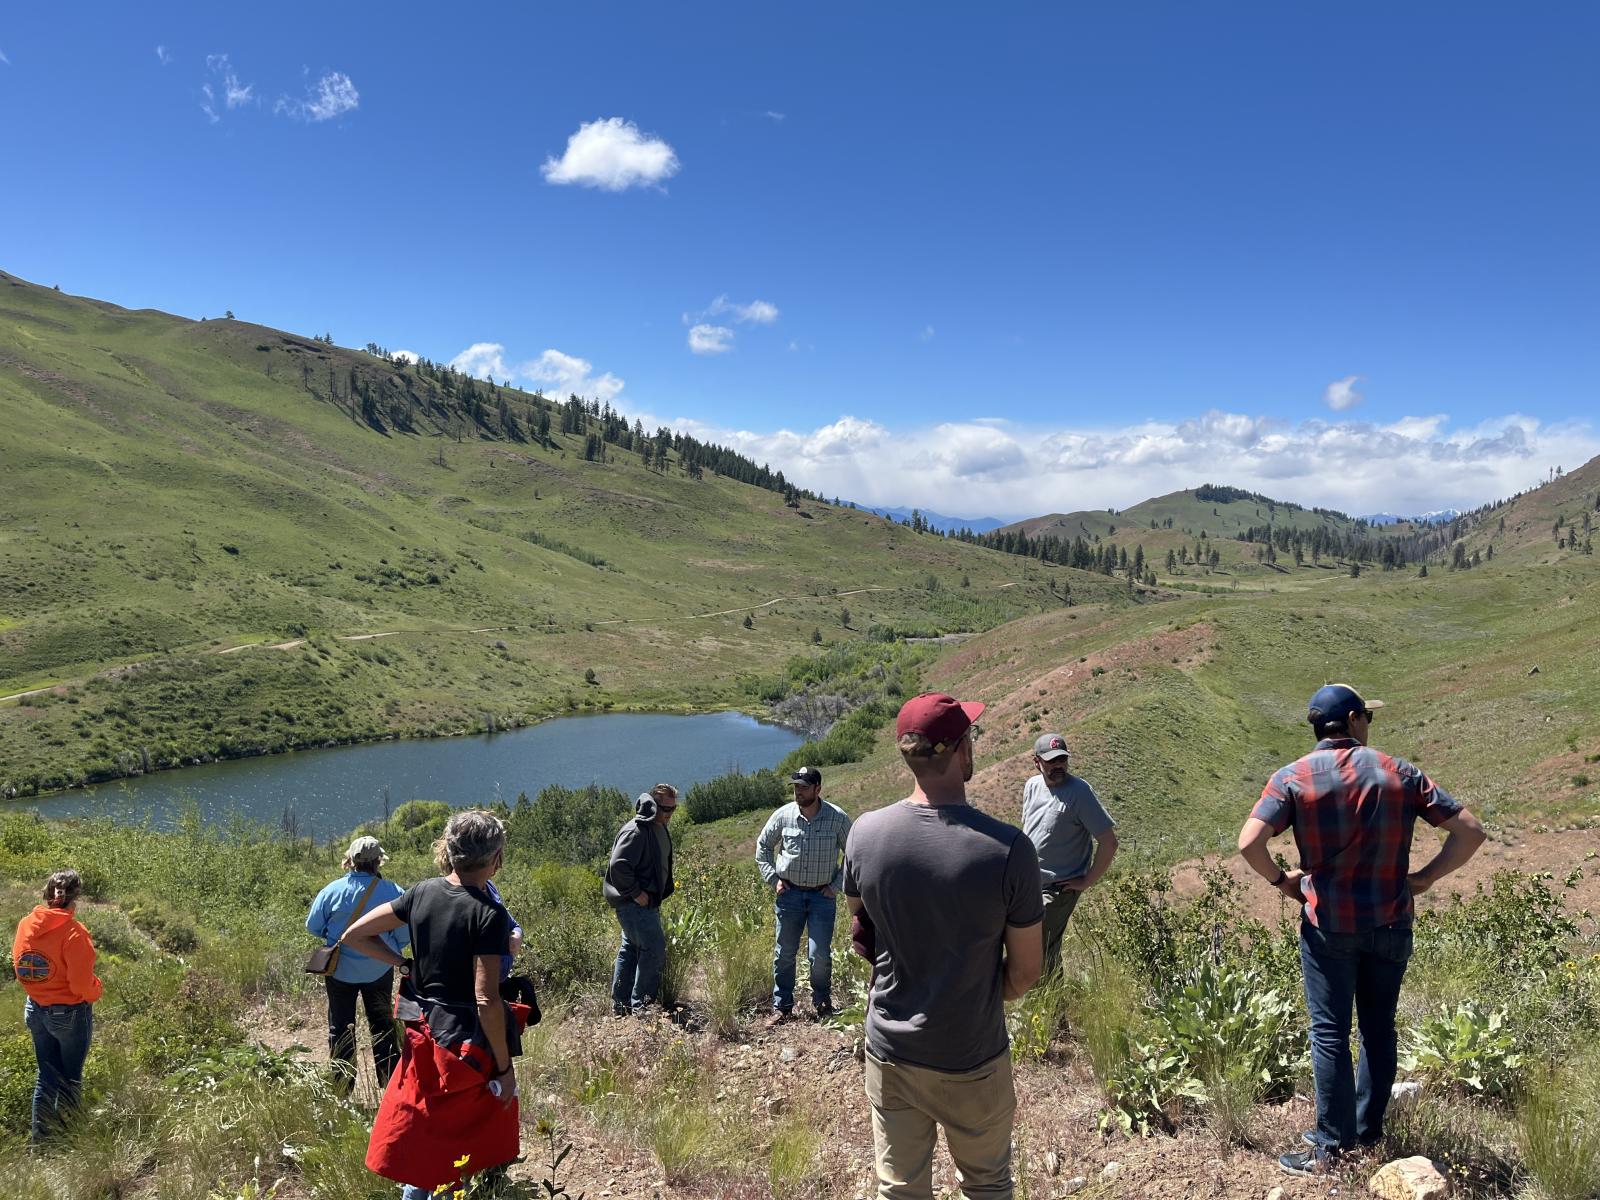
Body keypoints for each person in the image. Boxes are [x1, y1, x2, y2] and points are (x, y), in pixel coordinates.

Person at [1237, 684, 1485, 1177]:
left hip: (1328, 923)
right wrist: (1425, 878)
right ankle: (1368, 1132)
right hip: (1391, 918)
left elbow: (1249, 843)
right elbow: (1471, 832)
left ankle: (1332, 1145)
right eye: (1366, 717)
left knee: (1329, 1032)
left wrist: (1283, 882)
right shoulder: (1400, 773)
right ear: (1352, 720)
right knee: (1378, 1028)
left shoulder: (1293, 778)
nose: (1368, 724)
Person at [844, 693, 1043, 1200]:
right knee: (987, 1184)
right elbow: (1025, 972)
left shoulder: (864, 835)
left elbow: (860, 919)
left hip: (890, 1048)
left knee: (901, 1189)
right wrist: (973, 994)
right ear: (961, 749)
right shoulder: (1009, 850)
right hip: (971, 1055)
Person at [342, 810, 526, 1199]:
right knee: (456, 1138)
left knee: (428, 1127)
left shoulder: (422, 892)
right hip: (465, 1042)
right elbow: (486, 999)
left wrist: (403, 964)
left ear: (451, 851)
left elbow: (355, 935)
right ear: (496, 860)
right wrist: (506, 1067)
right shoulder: (487, 914)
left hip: (423, 1029)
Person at [306, 836, 409, 1093]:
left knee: (340, 1028)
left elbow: (313, 926)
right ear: (377, 862)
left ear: (351, 860)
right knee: (383, 1027)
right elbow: (404, 935)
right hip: (379, 970)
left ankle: (342, 1089)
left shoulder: (332, 891)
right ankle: (389, 1090)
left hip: (340, 972)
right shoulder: (394, 892)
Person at [12, 869, 103, 1146]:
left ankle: (40, 1142)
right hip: (69, 1013)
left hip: (35, 1009)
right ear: (75, 898)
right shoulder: (74, 933)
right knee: (71, 1077)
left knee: (47, 1075)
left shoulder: (26, 924)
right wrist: (96, 990)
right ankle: (70, 1139)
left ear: (47, 895)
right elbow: (81, 985)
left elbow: (21, 967)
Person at [755, 766, 852, 1023]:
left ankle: (822, 1001)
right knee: (784, 952)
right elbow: (763, 846)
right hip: (789, 896)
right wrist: (773, 879)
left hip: (822, 897)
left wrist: (836, 885)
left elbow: (853, 853)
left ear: (818, 789)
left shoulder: (837, 818)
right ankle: (782, 1006)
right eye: (796, 786)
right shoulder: (783, 816)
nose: (798, 791)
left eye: (804, 787)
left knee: (819, 954)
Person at [1019, 733, 1118, 976]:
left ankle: (1049, 1007)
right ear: (1037, 762)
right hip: (1030, 883)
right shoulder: (1032, 786)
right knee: (1026, 943)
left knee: (1039, 946)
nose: (1058, 766)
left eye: (1062, 759)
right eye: (1051, 761)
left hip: (1059, 888)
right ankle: (1045, 1003)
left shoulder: (1080, 792)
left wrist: (1087, 881)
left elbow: (1109, 843)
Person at [603, 783, 679, 1015]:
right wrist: (637, 893)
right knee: (654, 949)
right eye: (665, 809)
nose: (669, 815)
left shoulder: (657, 826)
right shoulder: (636, 831)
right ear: (653, 805)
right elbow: (619, 867)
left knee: (631, 948)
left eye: (673, 809)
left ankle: (622, 1004)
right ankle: (643, 1006)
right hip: (634, 905)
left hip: (646, 903)